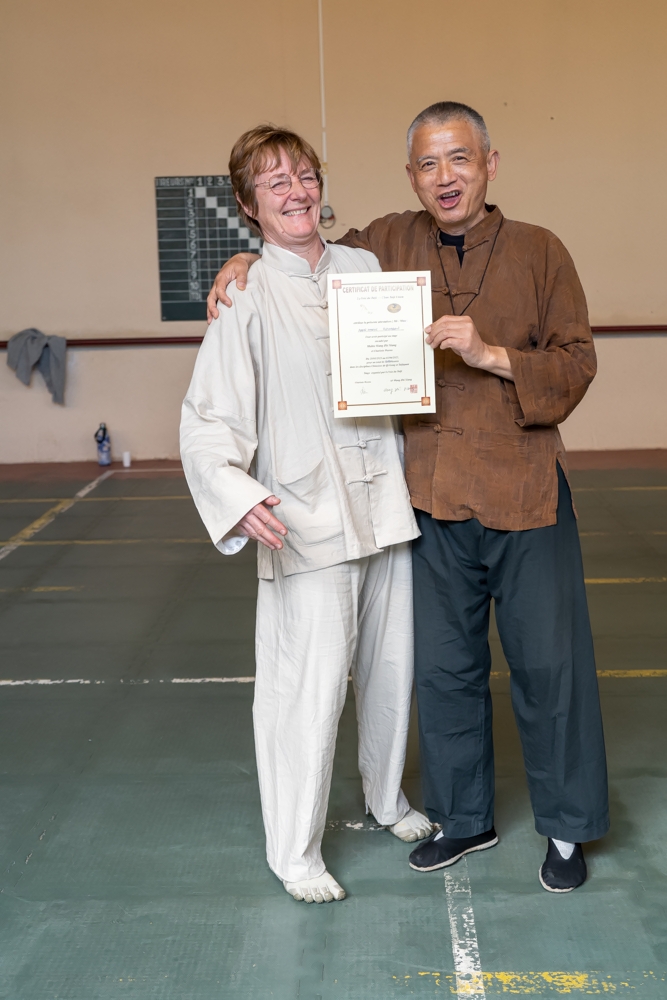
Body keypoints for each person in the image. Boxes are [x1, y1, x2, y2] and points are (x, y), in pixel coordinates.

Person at [207, 102, 609, 893]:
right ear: (410, 176)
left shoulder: (540, 251)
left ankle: (565, 829)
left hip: (525, 491)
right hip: (428, 496)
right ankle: (464, 817)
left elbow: (576, 363)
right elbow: (302, 249)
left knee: (549, 666)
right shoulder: (384, 246)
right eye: (428, 164)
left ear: (489, 164)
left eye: (459, 159)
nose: (444, 176)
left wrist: (490, 354)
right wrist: (242, 259)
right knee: (444, 671)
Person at [180, 125, 432, 906]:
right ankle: (294, 852)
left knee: (391, 671)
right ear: (248, 204)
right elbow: (207, 418)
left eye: (304, 174)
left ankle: (385, 798)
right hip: (304, 516)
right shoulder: (246, 294)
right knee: (306, 689)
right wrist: (238, 495)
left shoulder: (364, 269)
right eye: (275, 182)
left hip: (384, 504)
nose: (296, 191)